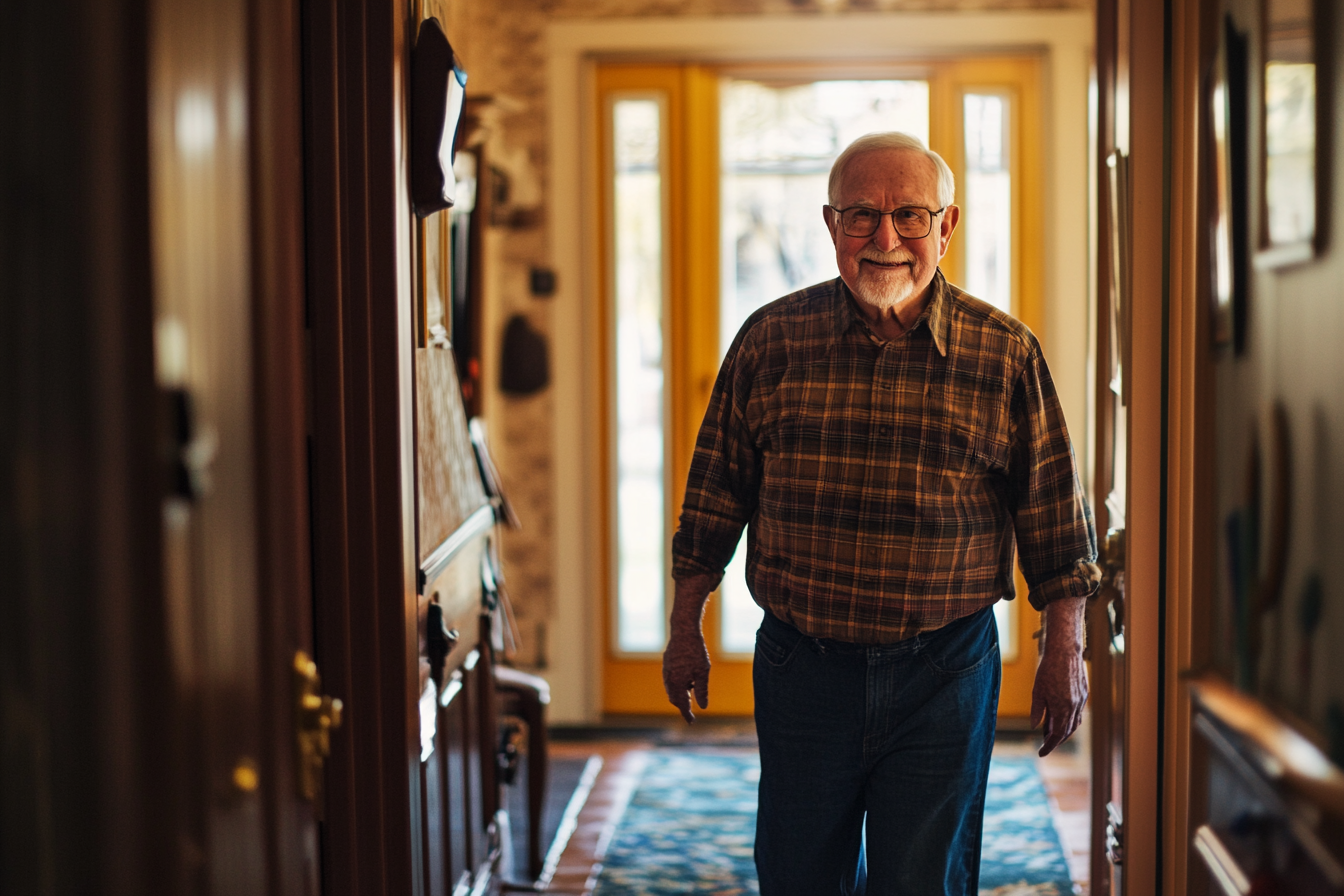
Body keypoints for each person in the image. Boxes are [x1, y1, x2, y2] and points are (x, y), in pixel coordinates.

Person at [662, 132, 1099, 896]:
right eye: (862, 215)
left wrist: (1064, 646)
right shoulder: (771, 342)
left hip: (944, 672)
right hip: (803, 668)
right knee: (799, 874)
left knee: (922, 880)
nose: (886, 239)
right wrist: (682, 625)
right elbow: (713, 495)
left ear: (947, 226)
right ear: (830, 224)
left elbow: (1056, 522)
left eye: (910, 216)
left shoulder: (1006, 356)